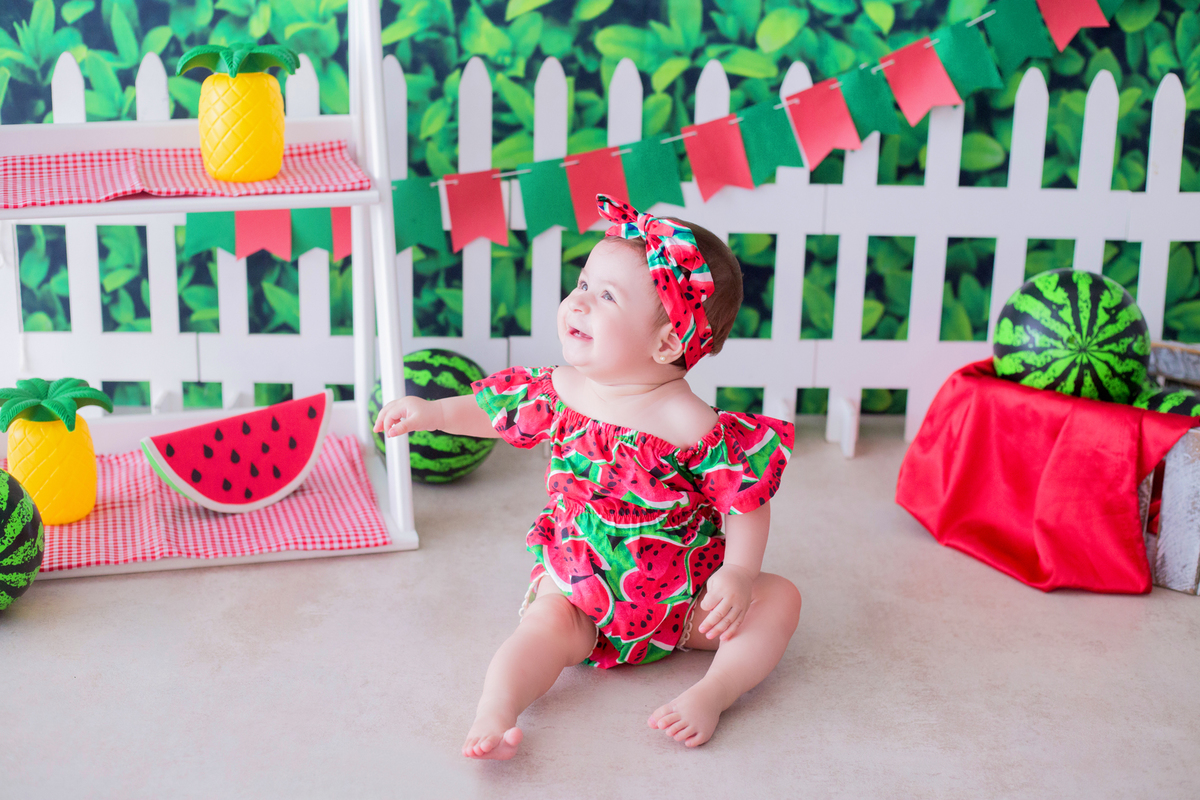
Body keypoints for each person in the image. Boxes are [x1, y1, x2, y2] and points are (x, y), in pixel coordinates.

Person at [374, 195, 801, 758]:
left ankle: (714, 692)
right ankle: (496, 711)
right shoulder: (563, 391)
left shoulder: (692, 424)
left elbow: (744, 500)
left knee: (780, 600)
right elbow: (495, 412)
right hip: (581, 587)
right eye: (581, 284)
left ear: (668, 342)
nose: (577, 303)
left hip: (682, 600)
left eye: (605, 296)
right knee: (541, 629)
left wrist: (741, 574)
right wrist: (433, 413)